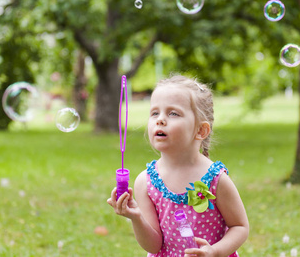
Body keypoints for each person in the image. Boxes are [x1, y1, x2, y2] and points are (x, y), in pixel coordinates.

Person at [107, 75, 249, 257]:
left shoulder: (216, 179)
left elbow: (240, 226)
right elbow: (154, 245)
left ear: (200, 130)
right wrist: (136, 217)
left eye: (173, 113)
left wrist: (214, 251)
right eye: (154, 113)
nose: (160, 120)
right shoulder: (146, 182)